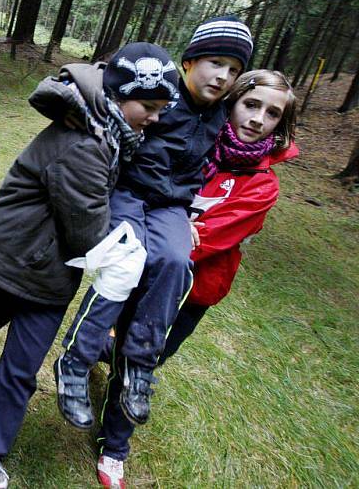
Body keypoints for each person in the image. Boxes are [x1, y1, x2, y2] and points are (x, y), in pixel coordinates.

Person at [0, 42, 179, 489]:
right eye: (148, 106)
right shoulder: (84, 146)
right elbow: (88, 232)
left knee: (20, 368)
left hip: (52, 276)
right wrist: (129, 256)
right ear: (117, 97)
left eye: (161, 108)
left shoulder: (113, 134)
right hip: (9, 259)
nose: (155, 117)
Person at [94, 69, 298, 488]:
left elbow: (208, 237)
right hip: (151, 273)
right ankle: (115, 439)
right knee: (132, 354)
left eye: (273, 113)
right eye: (251, 104)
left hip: (196, 290)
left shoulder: (262, 185)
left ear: (281, 124)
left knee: (147, 360)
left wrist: (170, 223)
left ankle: (113, 417)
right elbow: (146, 187)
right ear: (232, 101)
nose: (259, 118)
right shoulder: (191, 143)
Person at [53, 16, 254, 437]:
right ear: (188, 62)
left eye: (234, 70)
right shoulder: (161, 90)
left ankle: (140, 366)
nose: (223, 75)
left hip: (172, 208)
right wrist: (70, 88)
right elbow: (106, 83)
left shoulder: (221, 113)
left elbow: (257, 134)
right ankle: (77, 358)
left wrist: (197, 215)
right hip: (129, 193)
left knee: (177, 263)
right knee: (127, 257)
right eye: (215, 62)